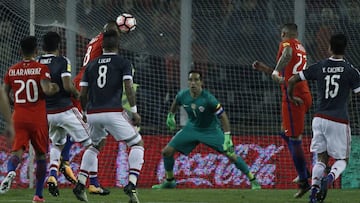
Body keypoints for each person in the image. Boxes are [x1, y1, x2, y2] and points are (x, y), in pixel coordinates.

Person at [151, 69, 261, 190]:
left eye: (196, 80)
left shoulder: (209, 99)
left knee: (231, 154)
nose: (193, 83)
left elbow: (223, 117)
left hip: (211, 130)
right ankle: (170, 181)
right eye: (190, 80)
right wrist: (171, 115)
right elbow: (176, 103)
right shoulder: (183, 95)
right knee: (167, 152)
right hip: (192, 128)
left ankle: (253, 180)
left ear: (201, 82)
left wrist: (227, 136)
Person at [72, 30, 144, 203]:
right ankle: (132, 183)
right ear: (118, 45)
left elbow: (82, 94)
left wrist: (84, 113)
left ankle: (81, 183)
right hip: (112, 111)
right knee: (137, 143)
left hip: (93, 113)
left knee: (95, 146)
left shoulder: (91, 65)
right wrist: (134, 110)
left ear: (102, 46)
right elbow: (128, 86)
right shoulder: (123, 62)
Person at [287, 33, 360, 203]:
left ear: (329, 47)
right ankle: (329, 179)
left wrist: (291, 97)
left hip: (319, 118)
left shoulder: (319, 66)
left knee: (321, 158)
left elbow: (292, 80)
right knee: (342, 160)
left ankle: (314, 191)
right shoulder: (350, 70)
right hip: (339, 120)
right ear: (345, 48)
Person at [252, 23, 312, 198]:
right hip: (303, 93)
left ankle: (304, 180)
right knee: (284, 132)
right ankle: (305, 173)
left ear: (284, 33)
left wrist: (276, 70)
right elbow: (284, 78)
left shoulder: (287, 44)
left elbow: (286, 55)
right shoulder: (301, 47)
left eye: (281, 34)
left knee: (294, 139)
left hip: (293, 97)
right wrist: (267, 70)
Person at [37, 31, 100, 197]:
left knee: (57, 144)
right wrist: (77, 94)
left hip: (46, 113)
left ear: (42, 46)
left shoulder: (36, 63)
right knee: (93, 143)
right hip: (64, 109)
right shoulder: (62, 61)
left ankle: (52, 175)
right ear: (59, 46)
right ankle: (91, 183)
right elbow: (66, 85)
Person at [0, 36, 59, 202]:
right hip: (37, 118)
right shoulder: (41, 68)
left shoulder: (11, 70)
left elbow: (4, 94)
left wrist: (14, 103)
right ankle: (38, 195)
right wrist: (54, 88)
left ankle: (11, 171)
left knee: (16, 152)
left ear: (20, 51)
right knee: (41, 156)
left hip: (18, 116)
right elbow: (47, 90)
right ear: (36, 51)